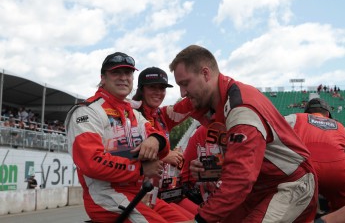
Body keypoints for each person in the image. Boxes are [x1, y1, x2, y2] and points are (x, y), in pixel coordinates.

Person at [169, 44, 318, 223]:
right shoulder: (209, 98)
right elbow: (163, 115)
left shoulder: (242, 108)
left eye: (185, 83)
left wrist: (200, 220)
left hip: (290, 185)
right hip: (259, 185)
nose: (182, 93)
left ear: (206, 74)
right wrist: (212, 168)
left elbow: (241, 176)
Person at [65, 52, 189, 223]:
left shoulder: (131, 113)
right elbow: (91, 162)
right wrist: (140, 169)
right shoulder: (87, 111)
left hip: (139, 194)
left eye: (128, 73)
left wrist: (155, 140)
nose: (123, 78)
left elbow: (161, 140)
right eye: (116, 72)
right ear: (103, 78)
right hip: (105, 197)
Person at [132, 66, 198, 218]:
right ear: (141, 89)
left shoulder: (162, 114)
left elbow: (191, 104)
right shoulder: (129, 113)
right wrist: (164, 155)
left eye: (162, 88)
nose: (158, 92)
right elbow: (125, 152)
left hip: (166, 192)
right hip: (140, 193)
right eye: (152, 87)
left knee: (203, 217)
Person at [285, 98, 345, 212]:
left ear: (307, 112)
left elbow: (270, 127)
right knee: (341, 209)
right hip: (337, 172)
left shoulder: (296, 117)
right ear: (327, 114)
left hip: (304, 171)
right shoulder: (340, 126)